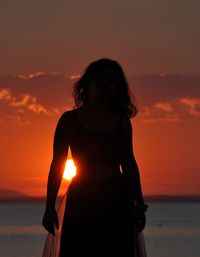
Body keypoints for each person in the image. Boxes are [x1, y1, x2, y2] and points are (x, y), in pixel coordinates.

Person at [42, 58, 148, 257]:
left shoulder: (122, 122)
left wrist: (139, 204)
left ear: (117, 88)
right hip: (83, 199)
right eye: (100, 77)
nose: (105, 83)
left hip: (117, 201)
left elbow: (129, 163)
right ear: (87, 83)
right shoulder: (69, 121)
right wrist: (49, 207)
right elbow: (57, 164)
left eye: (111, 80)